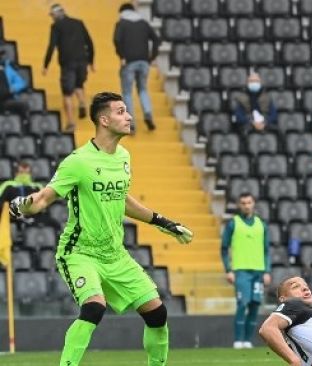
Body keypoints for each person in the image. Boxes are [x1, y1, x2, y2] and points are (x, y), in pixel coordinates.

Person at [8, 92, 193, 366]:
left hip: (115, 254)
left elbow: (122, 199)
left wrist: (162, 221)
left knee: (157, 315)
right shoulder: (78, 161)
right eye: (121, 111)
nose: (129, 116)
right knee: (94, 307)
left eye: (127, 110)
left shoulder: (124, 157)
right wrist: (24, 206)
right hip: (79, 253)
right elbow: (45, 197)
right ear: (104, 120)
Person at [221, 192, 271, 349]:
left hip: (258, 271)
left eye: (249, 202)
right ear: (239, 205)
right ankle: (238, 340)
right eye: (243, 203)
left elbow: (266, 250)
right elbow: (223, 248)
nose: (246, 205)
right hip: (241, 271)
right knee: (242, 303)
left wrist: (267, 271)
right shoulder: (233, 224)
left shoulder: (261, 225)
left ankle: (248, 341)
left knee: (255, 305)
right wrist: (228, 269)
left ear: (253, 203)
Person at [42, 3, 94, 132]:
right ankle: (82, 102)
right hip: (82, 60)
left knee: (67, 93)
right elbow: (89, 42)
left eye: (52, 15)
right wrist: (91, 61)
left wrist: (46, 65)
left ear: (56, 15)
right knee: (79, 84)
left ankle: (70, 122)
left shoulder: (56, 26)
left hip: (67, 62)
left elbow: (52, 45)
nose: (52, 18)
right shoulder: (78, 23)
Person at [113, 2, 161, 132]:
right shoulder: (143, 23)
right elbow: (156, 39)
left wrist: (122, 56)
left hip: (129, 61)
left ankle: (131, 123)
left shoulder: (121, 23)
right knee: (143, 90)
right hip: (144, 61)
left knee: (127, 92)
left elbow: (116, 40)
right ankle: (148, 113)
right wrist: (152, 57)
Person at [0, 49, 29, 120]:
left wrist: (13, 88)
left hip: (6, 98)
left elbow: (21, 82)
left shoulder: (7, 69)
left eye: (2, 55)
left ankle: (24, 126)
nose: (2, 57)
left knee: (24, 103)